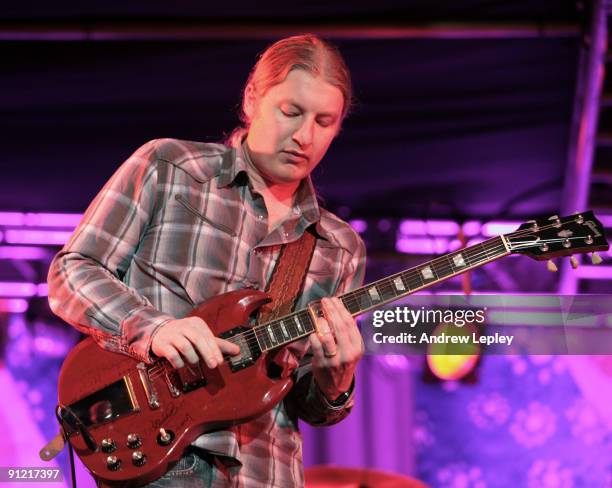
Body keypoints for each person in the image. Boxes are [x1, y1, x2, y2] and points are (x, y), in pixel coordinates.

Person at [47, 34, 366, 487]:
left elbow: (311, 405)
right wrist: (154, 329)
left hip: (266, 474)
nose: (304, 135)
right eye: (290, 112)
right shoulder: (170, 167)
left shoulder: (340, 247)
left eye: (325, 121)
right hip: (162, 462)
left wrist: (337, 381)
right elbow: (71, 271)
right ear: (253, 98)